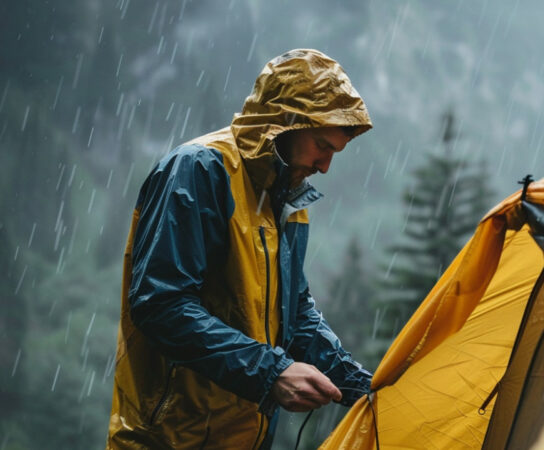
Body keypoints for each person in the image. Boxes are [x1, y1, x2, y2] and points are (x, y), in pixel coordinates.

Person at [106, 49, 373, 449]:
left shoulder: (289, 201)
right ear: (285, 122)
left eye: (334, 152)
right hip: (169, 440)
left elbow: (295, 314)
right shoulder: (200, 170)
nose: (325, 166)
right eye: (322, 145)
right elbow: (160, 304)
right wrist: (272, 372)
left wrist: (364, 388)